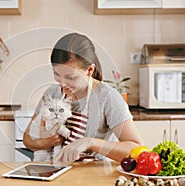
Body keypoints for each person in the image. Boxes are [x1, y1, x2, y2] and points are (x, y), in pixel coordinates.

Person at [23, 32, 143, 163]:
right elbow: (27, 140)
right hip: (55, 171)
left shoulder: (108, 97)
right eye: (56, 74)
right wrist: (45, 142)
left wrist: (90, 142)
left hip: (93, 175)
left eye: (70, 77)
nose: (62, 83)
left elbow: (137, 150)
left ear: (89, 71)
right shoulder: (52, 93)